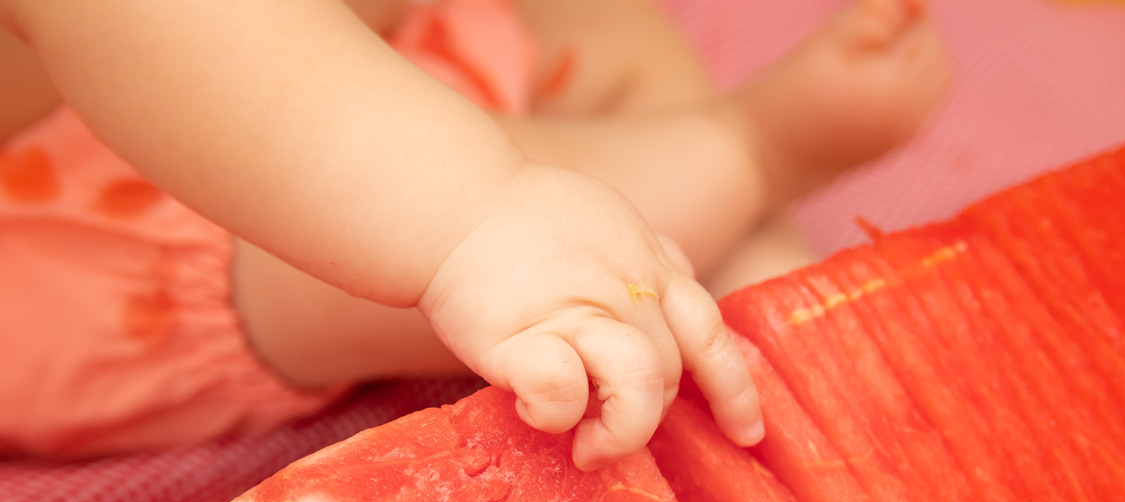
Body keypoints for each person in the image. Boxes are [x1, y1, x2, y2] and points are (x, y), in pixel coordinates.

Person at [0, 0, 948, 469]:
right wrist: (475, 220)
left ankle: (751, 275)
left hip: (386, 30)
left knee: (596, 26)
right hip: (113, 217)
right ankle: (744, 156)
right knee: (365, 242)